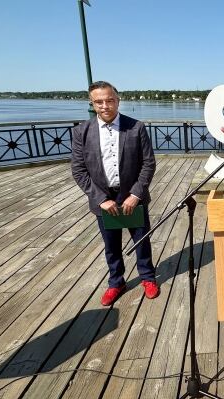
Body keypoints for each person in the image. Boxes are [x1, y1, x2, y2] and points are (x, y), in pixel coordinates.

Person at [71, 81, 159, 306]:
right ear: (92, 104)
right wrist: (100, 199)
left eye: (109, 100)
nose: (105, 106)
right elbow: (79, 170)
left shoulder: (136, 127)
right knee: (111, 246)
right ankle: (116, 282)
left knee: (142, 240)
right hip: (104, 200)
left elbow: (148, 164)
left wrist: (136, 195)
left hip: (132, 197)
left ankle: (147, 277)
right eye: (99, 102)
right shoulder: (82, 132)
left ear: (118, 100)